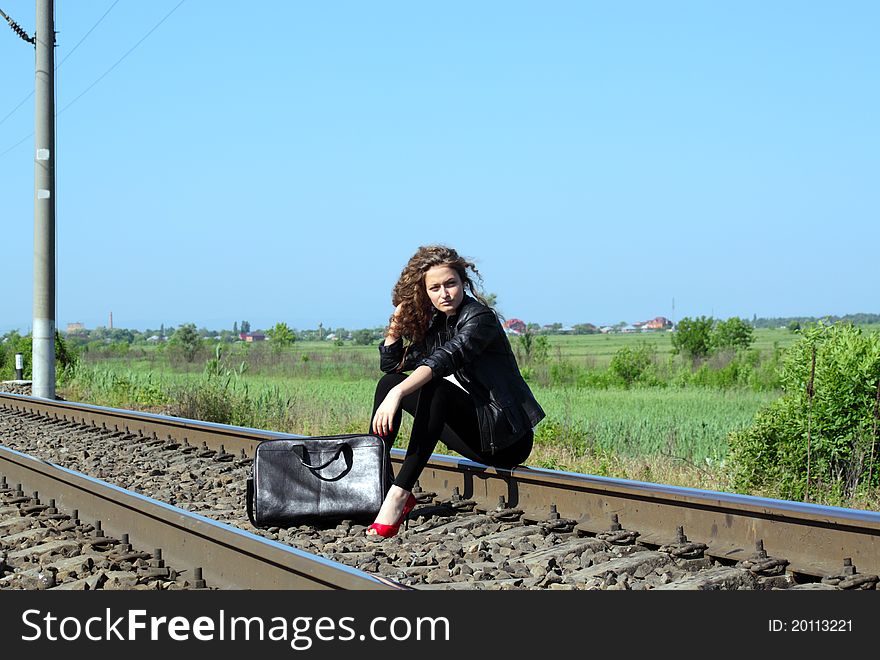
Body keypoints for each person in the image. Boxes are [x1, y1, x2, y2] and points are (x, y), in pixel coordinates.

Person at [366, 245, 545, 538]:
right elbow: (391, 366)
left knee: (429, 386)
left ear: (463, 283)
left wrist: (398, 394)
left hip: (506, 437)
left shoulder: (480, 318)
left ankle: (398, 497)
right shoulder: (439, 323)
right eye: (434, 288)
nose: (444, 294)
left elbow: (445, 358)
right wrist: (396, 326)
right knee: (389, 383)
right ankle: (377, 483)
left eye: (450, 284)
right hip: (474, 432)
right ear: (425, 293)